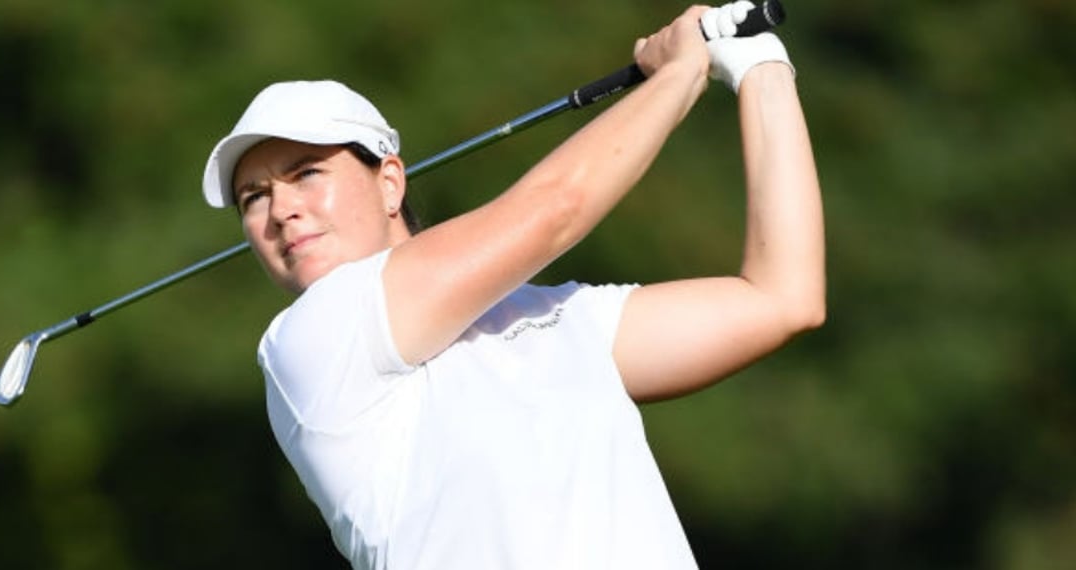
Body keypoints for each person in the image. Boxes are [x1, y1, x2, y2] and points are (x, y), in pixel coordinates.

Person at [199, 2, 823, 568]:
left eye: (306, 173)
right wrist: (681, 73)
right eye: (254, 197)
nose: (281, 210)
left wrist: (760, 69)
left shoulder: (560, 320)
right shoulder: (311, 339)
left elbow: (781, 300)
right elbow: (556, 209)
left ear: (390, 182)